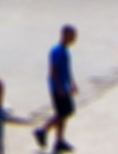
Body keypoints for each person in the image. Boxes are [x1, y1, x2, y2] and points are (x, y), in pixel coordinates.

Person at [35, 25, 78, 153]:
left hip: (63, 87)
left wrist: (72, 83)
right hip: (57, 88)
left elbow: (67, 69)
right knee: (62, 113)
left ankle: (59, 140)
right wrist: (59, 87)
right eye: (72, 35)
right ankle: (42, 130)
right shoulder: (57, 50)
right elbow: (53, 70)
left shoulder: (65, 50)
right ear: (64, 35)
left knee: (65, 113)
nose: (74, 38)